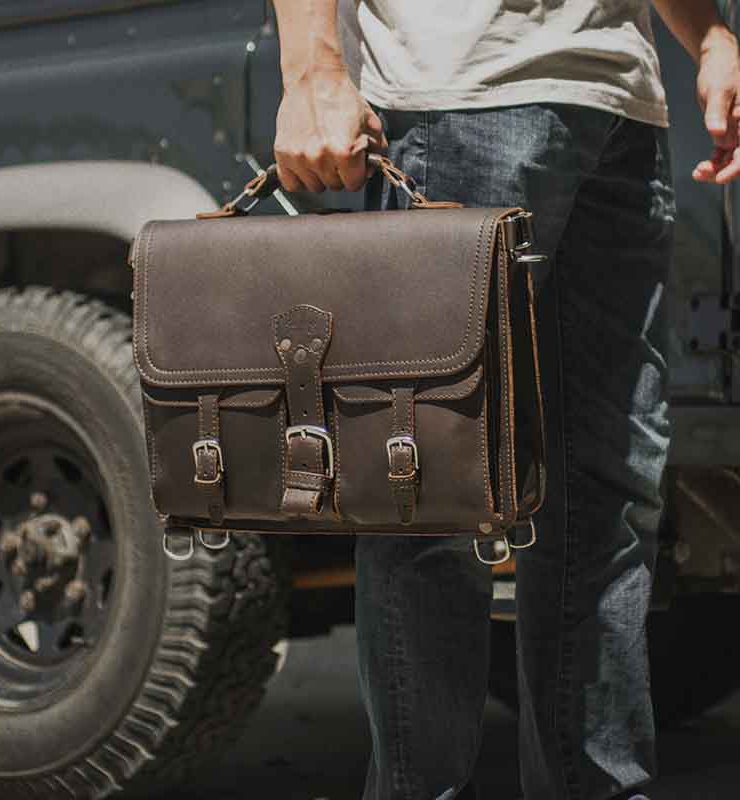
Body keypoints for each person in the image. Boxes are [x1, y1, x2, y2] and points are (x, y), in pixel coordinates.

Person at [269, 2, 740, 799]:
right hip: (456, 90)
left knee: (606, 499)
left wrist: (711, 36)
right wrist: (312, 69)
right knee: (427, 497)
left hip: (617, 101)